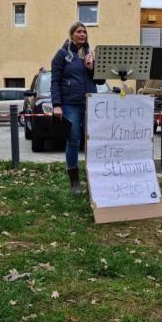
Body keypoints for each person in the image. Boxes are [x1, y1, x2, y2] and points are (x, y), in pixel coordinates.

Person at [50, 21, 104, 194]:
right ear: (71, 34)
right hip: (70, 104)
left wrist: (92, 68)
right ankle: (74, 181)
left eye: (84, 32)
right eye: (79, 32)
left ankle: (95, 177)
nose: (82, 35)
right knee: (74, 140)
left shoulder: (91, 54)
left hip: (90, 103)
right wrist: (57, 105)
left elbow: (100, 81)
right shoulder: (62, 55)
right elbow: (55, 81)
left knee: (93, 140)